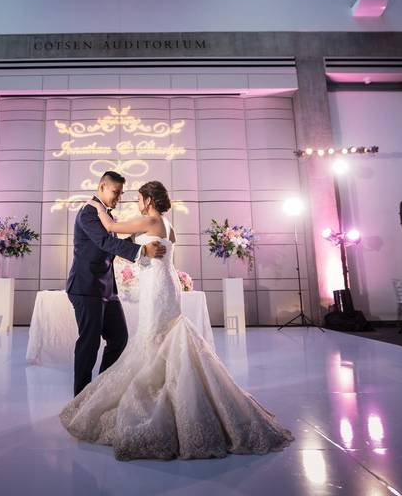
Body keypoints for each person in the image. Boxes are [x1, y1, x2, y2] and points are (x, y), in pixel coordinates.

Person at [61, 180, 293, 460]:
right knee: (162, 336)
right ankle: (112, 392)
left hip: (156, 286)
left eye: (136, 198)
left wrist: (96, 208)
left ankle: (138, 396)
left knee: (153, 338)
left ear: (147, 200)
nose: (131, 201)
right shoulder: (167, 224)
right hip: (165, 283)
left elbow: (110, 230)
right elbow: (132, 244)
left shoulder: (145, 220)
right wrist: (137, 248)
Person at [66, 171, 167, 397]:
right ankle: (81, 398)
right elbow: (104, 242)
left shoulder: (104, 213)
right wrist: (141, 250)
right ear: (102, 186)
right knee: (89, 344)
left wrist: (137, 238)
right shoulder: (89, 212)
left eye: (121, 194)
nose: (118, 198)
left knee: (119, 338)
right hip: (86, 287)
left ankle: (100, 390)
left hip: (106, 288)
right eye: (116, 192)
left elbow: (111, 243)